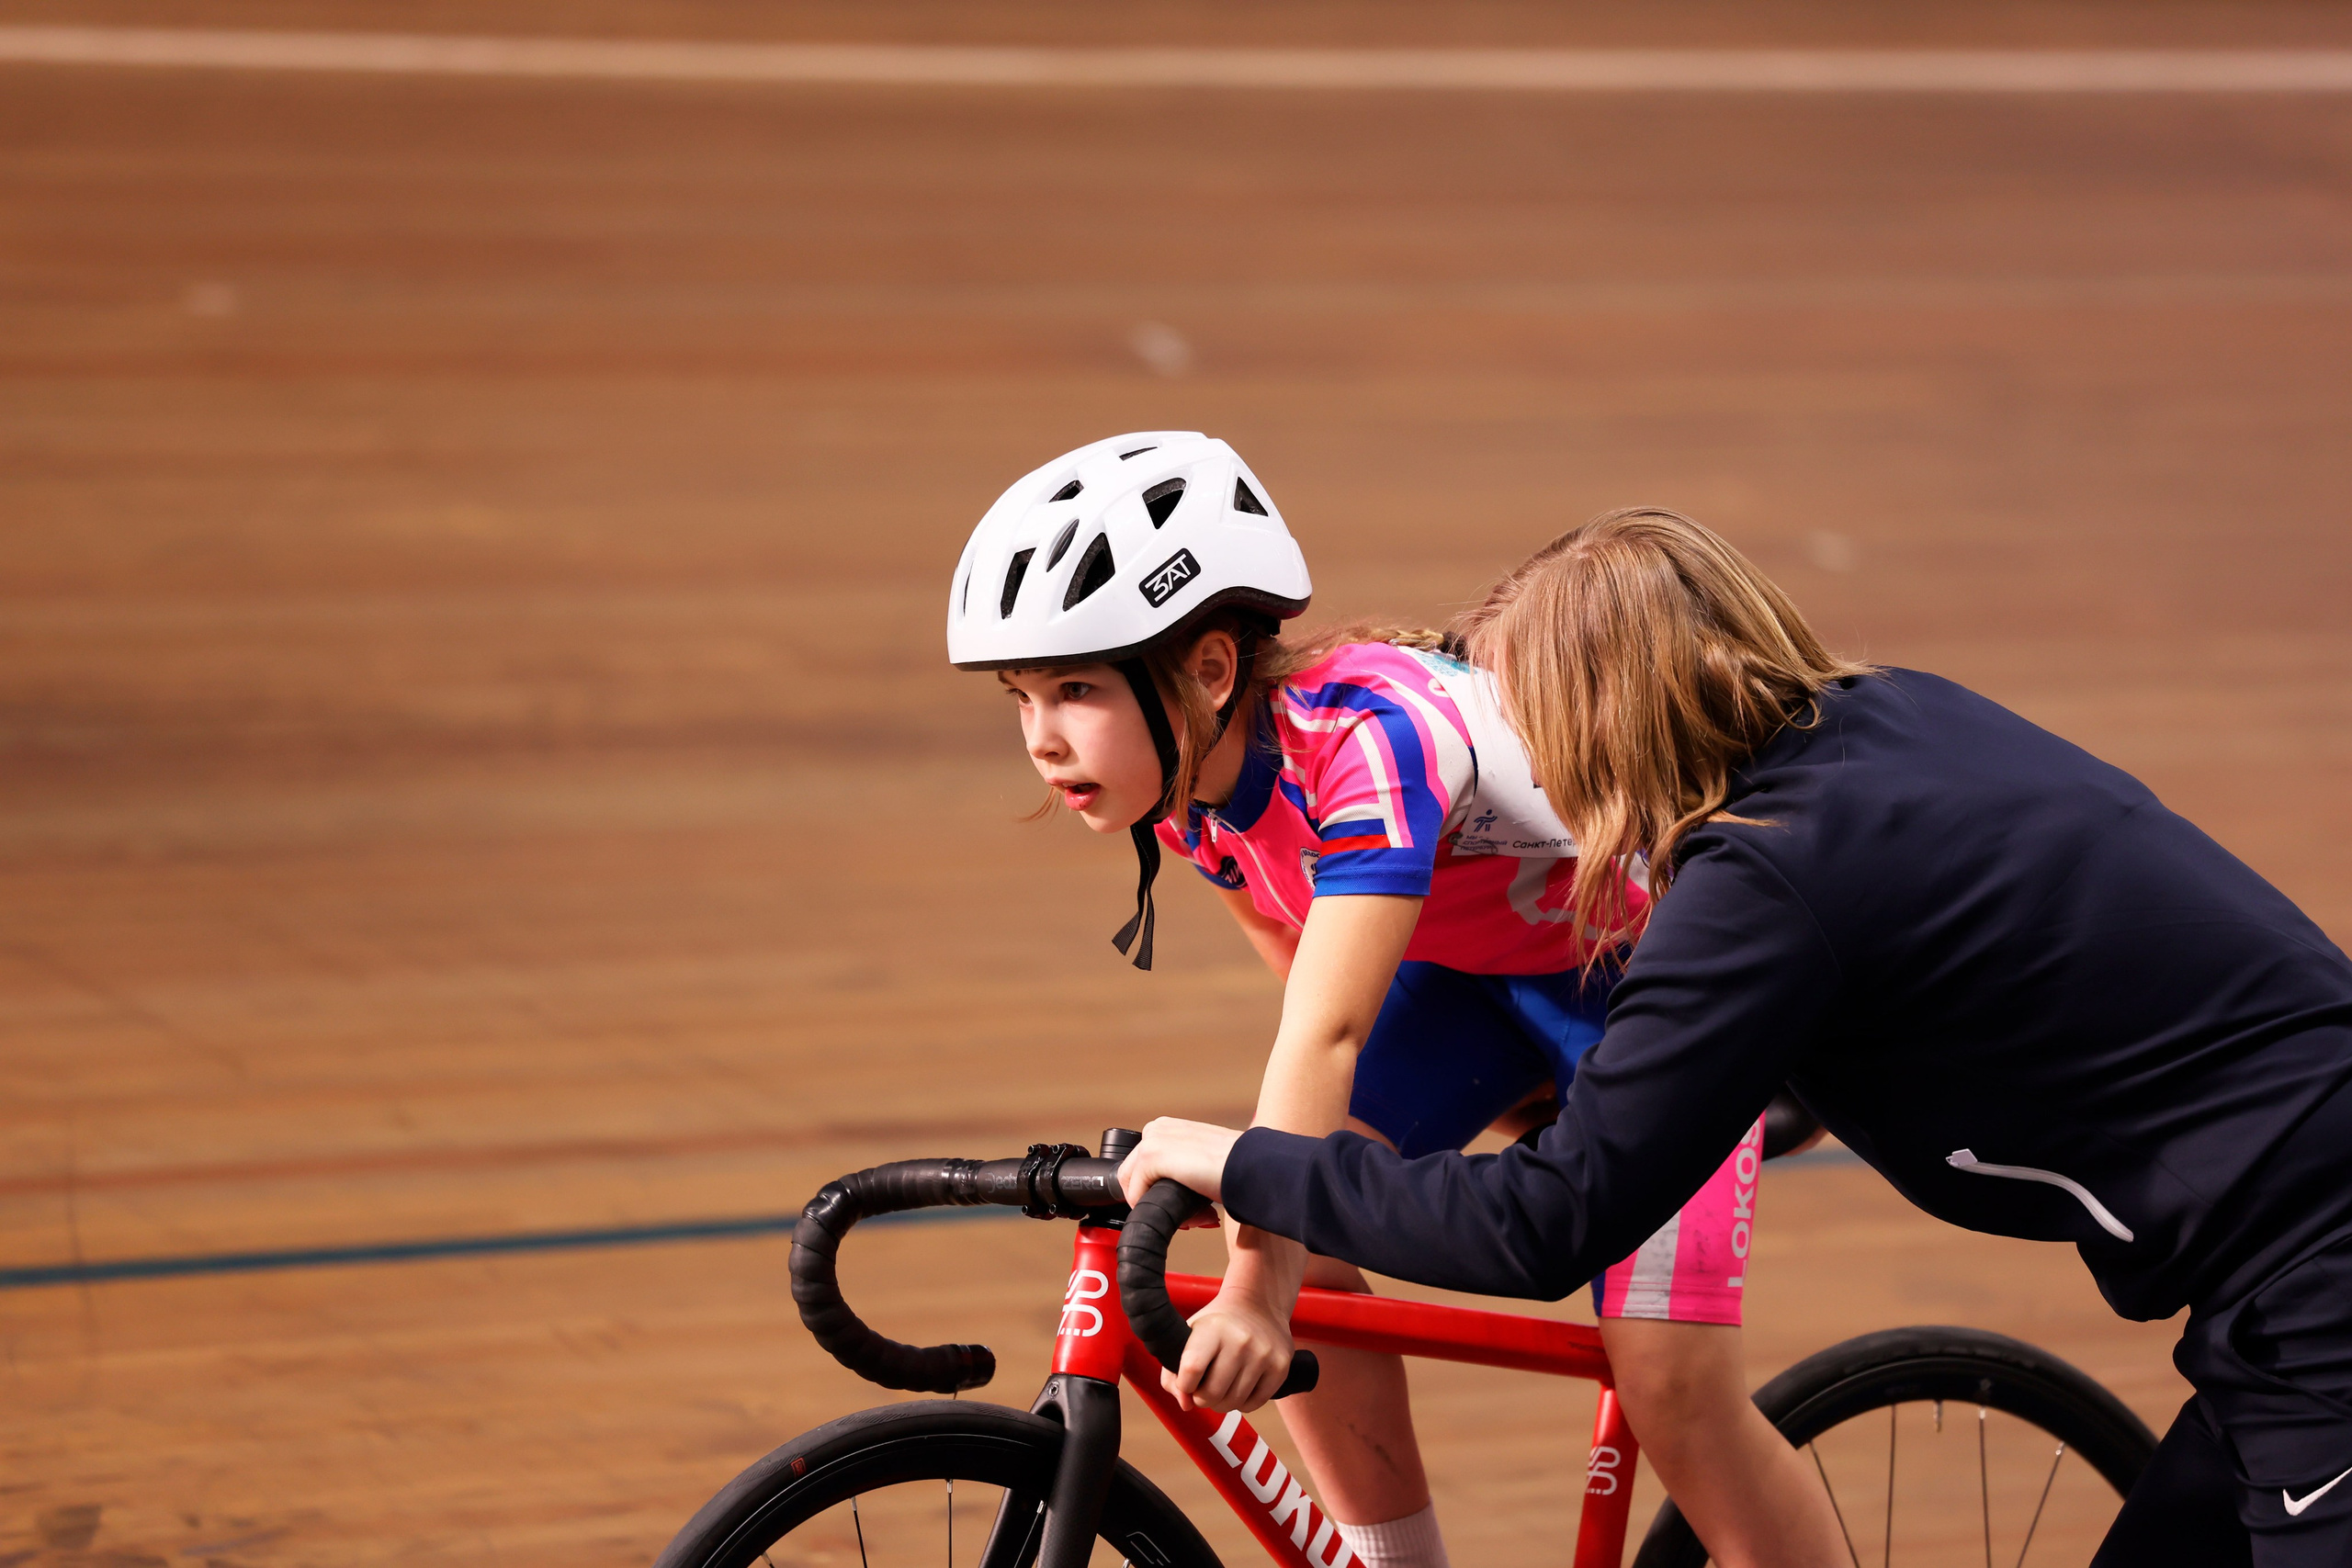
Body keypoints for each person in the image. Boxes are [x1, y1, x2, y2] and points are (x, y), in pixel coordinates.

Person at [1117, 507, 2352, 1568]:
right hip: (2273, 1281)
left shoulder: (1762, 878)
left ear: (1597, 715)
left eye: (1513, 714)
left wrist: (1255, 1165)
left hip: (2319, 1274)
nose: (1502, 758)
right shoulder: (1884, 720)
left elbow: (1545, 1222)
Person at [951, 437, 1846, 1568]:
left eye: (1074, 689)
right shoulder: (1182, 791)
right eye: (1021, 696)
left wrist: (1258, 1295)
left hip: (1659, 995)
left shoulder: (1369, 744)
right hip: (1483, 984)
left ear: (1211, 670)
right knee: (1298, 1221)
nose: (1041, 736)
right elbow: (1304, 983)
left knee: (1670, 1386)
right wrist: (1280, 1248)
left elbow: (1330, 1031)